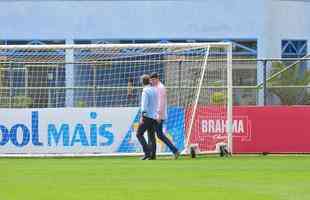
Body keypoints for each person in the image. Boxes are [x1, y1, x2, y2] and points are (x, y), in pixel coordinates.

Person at [150, 72, 180, 159]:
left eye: (152, 80)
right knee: (158, 134)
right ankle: (174, 151)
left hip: (159, 115)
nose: (151, 82)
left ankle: (175, 151)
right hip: (156, 114)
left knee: (159, 134)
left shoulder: (161, 88)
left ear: (156, 79)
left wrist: (158, 115)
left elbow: (161, 102)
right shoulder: (156, 87)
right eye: (151, 80)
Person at [136, 74, 157, 160]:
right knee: (151, 136)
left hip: (147, 116)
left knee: (139, 134)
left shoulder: (145, 91)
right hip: (154, 116)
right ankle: (153, 155)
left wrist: (142, 116)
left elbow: (144, 106)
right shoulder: (154, 90)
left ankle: (147, 152)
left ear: (142, 82)